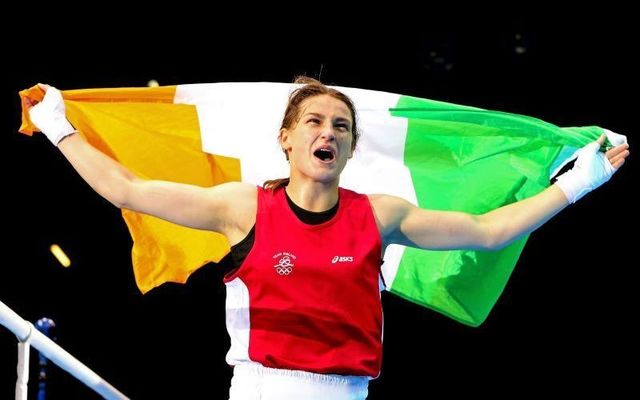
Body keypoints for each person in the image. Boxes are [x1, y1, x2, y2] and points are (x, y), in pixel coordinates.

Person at [24, 77, 629, 400]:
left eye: (341, 125)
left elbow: (489, 232)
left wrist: (580, 185)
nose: (328, 131)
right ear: (286, 140)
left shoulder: (381, 215)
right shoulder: (244, 207)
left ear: (349, 147)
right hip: (262, 393)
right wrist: (60, 128)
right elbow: (128, 189)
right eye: (313, 120)